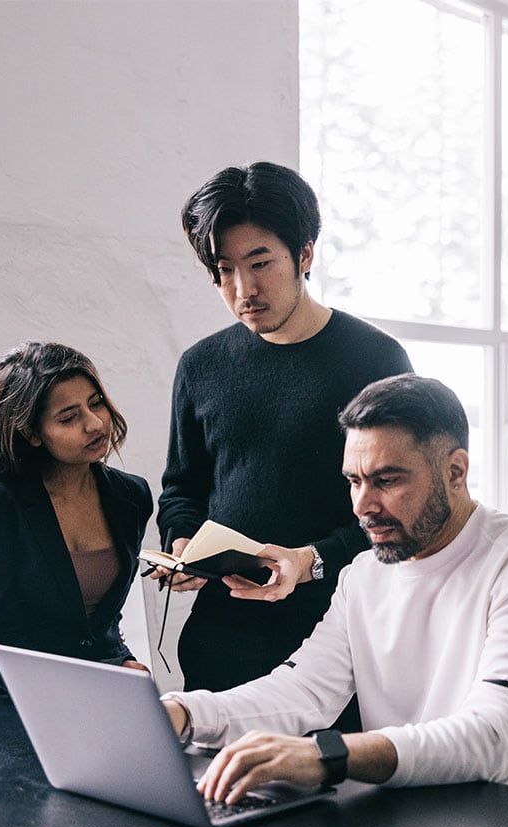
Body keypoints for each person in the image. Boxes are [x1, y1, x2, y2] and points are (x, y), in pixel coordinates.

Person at [160, 374, 508, 804]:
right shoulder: (364, 575)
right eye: (354, 481)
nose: (362, 506)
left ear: (455, 470)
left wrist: (326, 756)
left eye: (387, 481)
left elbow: (496, 735)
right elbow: (302, 691)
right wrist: (184, 714)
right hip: (421, 822)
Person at [156, 161, 412, 698]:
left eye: (260, 262)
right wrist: (184, 544)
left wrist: (309, 561)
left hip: (339, 637)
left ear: (305, 254)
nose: (243, 288)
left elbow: (400, 505)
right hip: (220, 641)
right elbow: (182, 487)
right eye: (224, 270)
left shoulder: (375, 360)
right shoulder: (200, 365)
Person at [0, 341, 154, 699]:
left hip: (106, 693)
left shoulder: (131, 496)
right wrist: (102, 675)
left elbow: (100, 622)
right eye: (68, 417)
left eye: (96, 403)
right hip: (13, 702)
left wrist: (121, 666)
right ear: (31, 433)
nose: (94, 424)